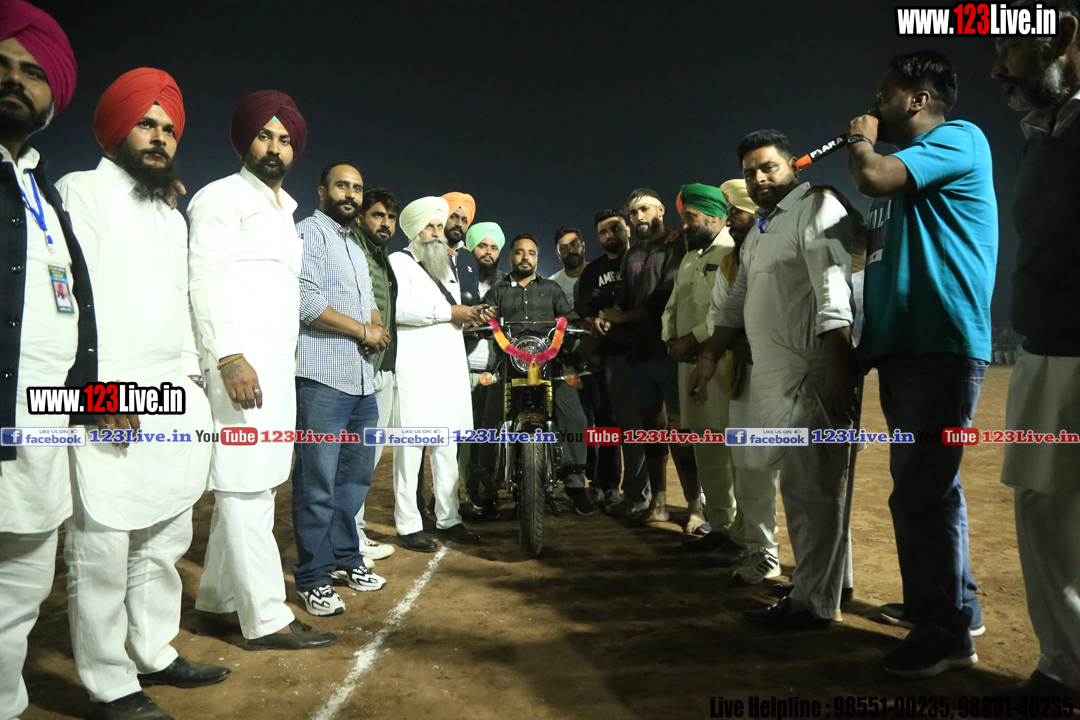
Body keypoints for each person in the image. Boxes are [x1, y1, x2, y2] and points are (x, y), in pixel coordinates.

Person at [56, 67, 227, 720]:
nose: (159, 137)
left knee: (165, 532)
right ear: (115, 131)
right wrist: (94, 391)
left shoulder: (170, 216)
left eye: (168, 129)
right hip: (108, 389)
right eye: (146, 124)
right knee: (103, 539)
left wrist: (191, 381)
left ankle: (153, 651)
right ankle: (108, 681)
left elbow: (178, 303)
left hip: (170, 389)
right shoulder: (81, 192)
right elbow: (74, 300)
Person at [847, 50, 996, 677]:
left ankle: (944, 634)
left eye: (885, 95)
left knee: (920, 491)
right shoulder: (906, 173)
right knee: (933, 486)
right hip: (904, 346)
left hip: (939, 343)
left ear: (916, 99)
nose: (874, 105)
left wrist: (860, 141)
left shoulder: (958, 138)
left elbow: (873, 177)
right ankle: (955, 607)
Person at [689, 130, 858, 630]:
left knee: (814, 492)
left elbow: (833, 291)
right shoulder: (764, 227)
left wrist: (838, 371)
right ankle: (825, 582)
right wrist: (709, 355)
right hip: (774, 375)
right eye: (750, 172)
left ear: (793, 166)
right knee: (806, 490)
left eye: (768, 167)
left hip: (812, 372)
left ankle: (814, 604)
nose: (759, 178)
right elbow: (738, 301)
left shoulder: (816, 207)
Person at [188, 90, 335, 650]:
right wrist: (228, 356)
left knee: (254, 485)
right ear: (243, 141)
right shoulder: (220, 197)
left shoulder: (284, 211)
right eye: (264, 136)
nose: (274, 147)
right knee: (245, 489)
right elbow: (203, 280)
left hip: (276, 367)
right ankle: (268, 619)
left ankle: (218, 602)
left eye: (284, 139)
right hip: (239, 367)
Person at [0, 6, 92, 719]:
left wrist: (91, 402)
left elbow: (73, 315)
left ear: (52, 97)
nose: (14, 80)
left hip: (39, 428)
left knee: (23, 585)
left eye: (32, 72)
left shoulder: (42, 194)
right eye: (1, 66)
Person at [992, 5, 1080, 700]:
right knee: (1043, 509)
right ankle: (1065, 665)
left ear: (1064, 37)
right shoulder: (1044, 134)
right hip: (1045, 352)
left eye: (1010, 48)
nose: (999, 68)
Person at [291, 162, 390, 617]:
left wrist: (375, 325)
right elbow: (305, 301)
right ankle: (313, 575)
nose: (350, 194)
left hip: (361, 380)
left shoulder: (354, 244)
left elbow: (368, 300)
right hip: (322, 378)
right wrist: (362, 331)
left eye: (357, 188)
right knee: (317, 483)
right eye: (342, 186)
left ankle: (347, 559)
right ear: (322, 191)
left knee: (355, 479)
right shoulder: (307, 233)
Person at [474, 234, 593, 515]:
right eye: (519, 252)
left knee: (575, 417)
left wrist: (581, 324)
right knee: (489, 422)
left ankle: (575, 484)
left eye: (531, 253)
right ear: (511, 256)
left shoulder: (551, 289)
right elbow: (484, 316)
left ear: (537, 257)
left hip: (548, 363)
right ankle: (486, 488)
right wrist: (479, 319)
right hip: (509, 365)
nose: (525, 257)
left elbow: (568, 316)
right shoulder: (498, 291)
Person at [389, 197, 482, 551]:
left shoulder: (446, 268)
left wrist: (470, 315)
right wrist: (448, 313)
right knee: (410, 448)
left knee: (447, 445)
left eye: (439, 226)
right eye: (429, 226)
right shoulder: (399, 261)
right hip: (415, 369)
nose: (436, 232)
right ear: (414, 230)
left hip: (449, 368)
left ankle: (449, 517)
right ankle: (408, 524)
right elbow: (398, 310)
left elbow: (452, 313)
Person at [598, 189, 696, 525]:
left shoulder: (677, 245)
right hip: (639, 354)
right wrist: (610, 314)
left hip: (671, 350)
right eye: (633, 212)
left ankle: (696, 505)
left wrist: (623, 317)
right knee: (652, 431)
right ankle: (660, 502)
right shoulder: (632, 255)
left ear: (660, 210)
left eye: (644, 209)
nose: (638, 217)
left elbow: (667, 295)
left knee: (681, 431)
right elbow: (625, 295)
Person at [661, 184, 738, 542]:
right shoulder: (690, 257)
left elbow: (726, 311)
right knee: (706, 448)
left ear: (716, 216)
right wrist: (670, 340)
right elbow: (672, 306)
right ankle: (720, 530)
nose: (686, 225)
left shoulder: (731, 251)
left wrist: (692, 340)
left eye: (691, 217)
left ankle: (740, 534)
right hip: (687, 364)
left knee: (728, 452)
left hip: (720, 363)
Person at [576, 209, 649, 512]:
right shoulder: (593, 270)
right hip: (614, 357)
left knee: (650, 426)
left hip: (649, 352)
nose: (610, 235)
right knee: (617, 425)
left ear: (627, 229)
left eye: (615, 228)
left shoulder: (645, 259)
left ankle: (645, 496)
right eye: (603, 232)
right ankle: (627, 493)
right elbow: (584, 310)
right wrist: (594, 322)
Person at [352, 186, 400, 562]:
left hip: (381, 369)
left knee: (366, 457)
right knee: (352, 457)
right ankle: (347, 537)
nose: (385, 223)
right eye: (378, 215)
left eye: (390, 217)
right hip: (357, 366)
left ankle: (354, 531)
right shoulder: (352, 248)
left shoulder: (381, 256)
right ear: (360, 217)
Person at [459, 221, 506, 518]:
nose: (488, 252)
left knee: (492, 436)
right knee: (465, 437)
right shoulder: (457, 279)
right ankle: (469, 492)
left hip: (496, 370)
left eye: (494, 248)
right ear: (470, 248)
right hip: (463, 368)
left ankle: (488, 491)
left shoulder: (506, 283)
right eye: (482, 246)